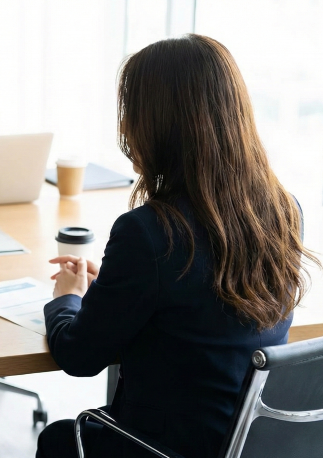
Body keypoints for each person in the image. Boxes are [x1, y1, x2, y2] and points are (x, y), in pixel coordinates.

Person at [37, 34, 319, 457]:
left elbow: (79, 357)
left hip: (161, 448)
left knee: (58, 440)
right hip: (246, 445)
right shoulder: (284, 211)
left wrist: (68, 298)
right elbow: (199, 314)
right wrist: (115, 287)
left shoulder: (147, 232)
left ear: (155, 126)